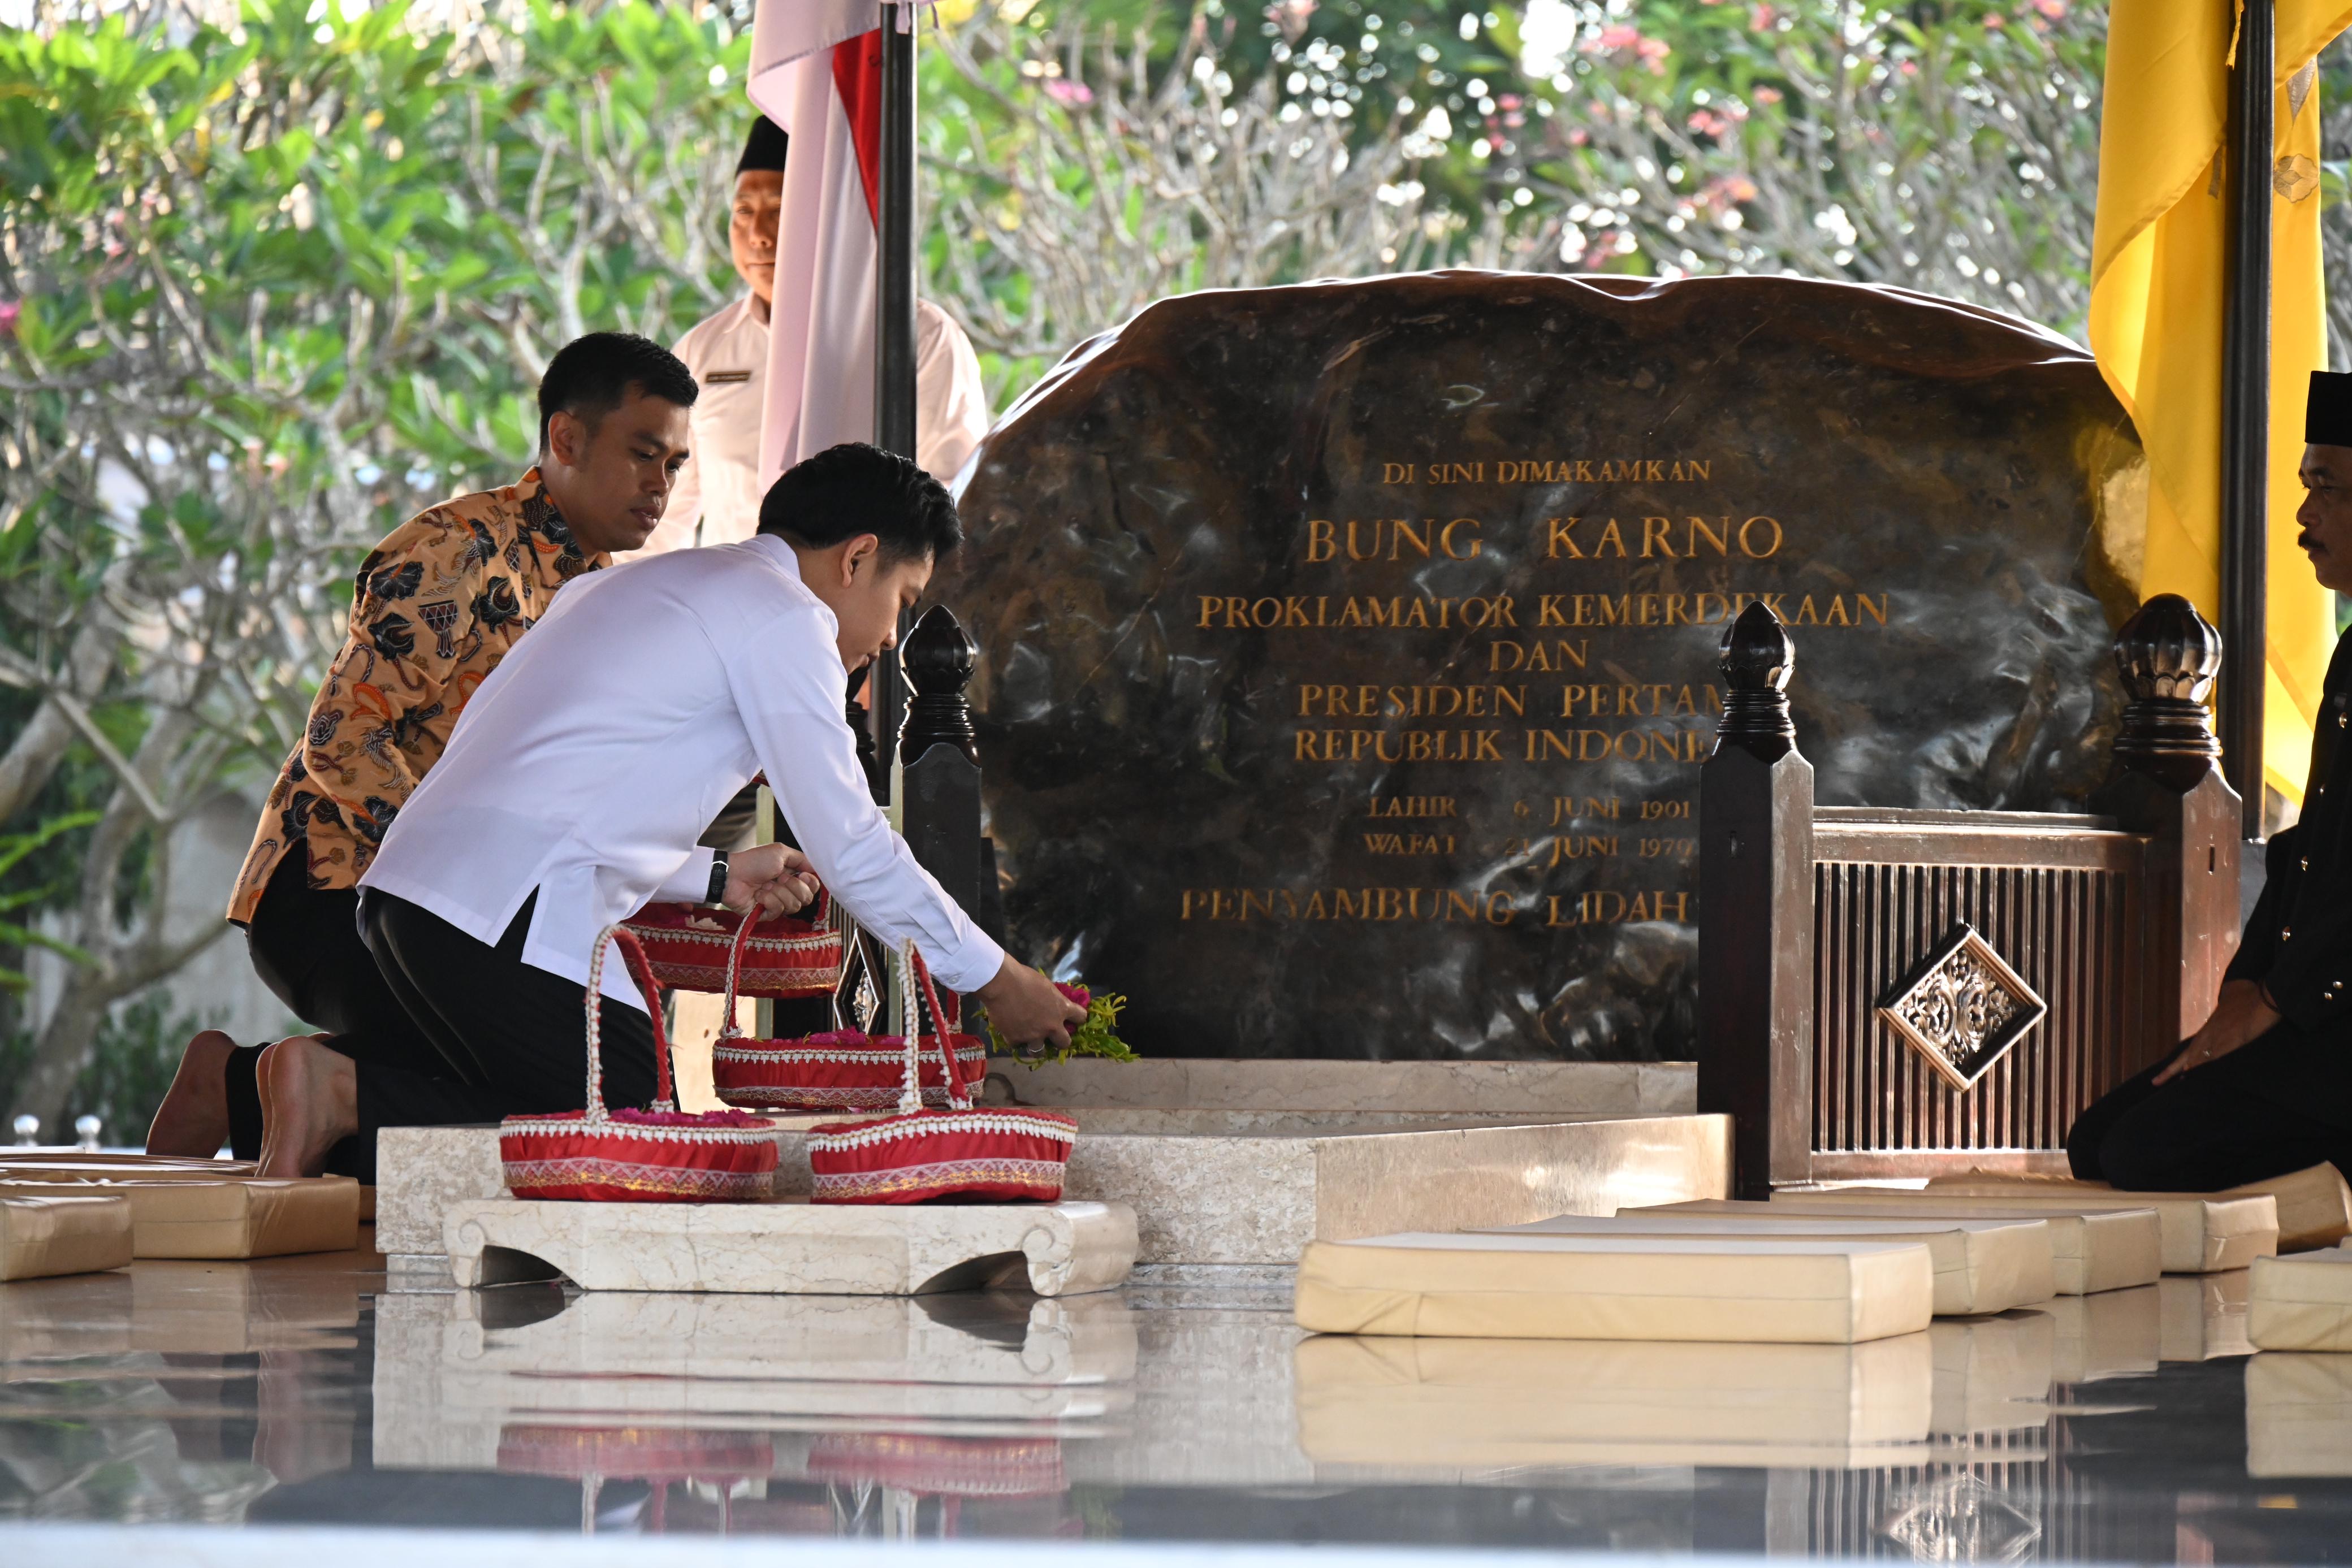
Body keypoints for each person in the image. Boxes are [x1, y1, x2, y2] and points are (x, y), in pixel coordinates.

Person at [250, 442, 1082, 1176]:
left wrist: (716, 875)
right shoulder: (786, 616)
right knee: (643, 1133)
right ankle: (343, 1093)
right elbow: (855, 846)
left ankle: (323, 1098)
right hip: (506, 910)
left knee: (518, 1104)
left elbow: (563, 790)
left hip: (411, 895)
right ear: (858, 558)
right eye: (904, 600)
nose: (893, 639)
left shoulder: (652, 582)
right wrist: (999, 978)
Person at [146, 333, 699, 1179]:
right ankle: (245, 1087)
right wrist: (455, 873)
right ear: (565, 441)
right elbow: (341, 740)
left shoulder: (602, 595)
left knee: (568, 1080)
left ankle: (250, 1089)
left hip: (461, 904)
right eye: (644, 454)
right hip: (337, 888)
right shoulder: (458, 548)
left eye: (676, 463)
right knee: (544, 1077)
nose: (662, 484)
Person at [2066, 369, 2352, 1190]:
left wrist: (2282, 1001)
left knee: (2139, 1153)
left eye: (2326, 489)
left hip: (2336, 1017)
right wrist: (2246, 989)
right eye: (2305, 487)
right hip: (2309, 1006)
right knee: (2100, 1140)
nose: (2303, 515)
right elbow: (2313, 848)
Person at [626, 115, 992, 558]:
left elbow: (955, 500)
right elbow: (665, 518)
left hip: (867, 617)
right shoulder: (705, 351)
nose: (758, 235)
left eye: (780, 211)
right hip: (736, 613)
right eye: (744, 212)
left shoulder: (919, 339)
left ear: (824, 219)